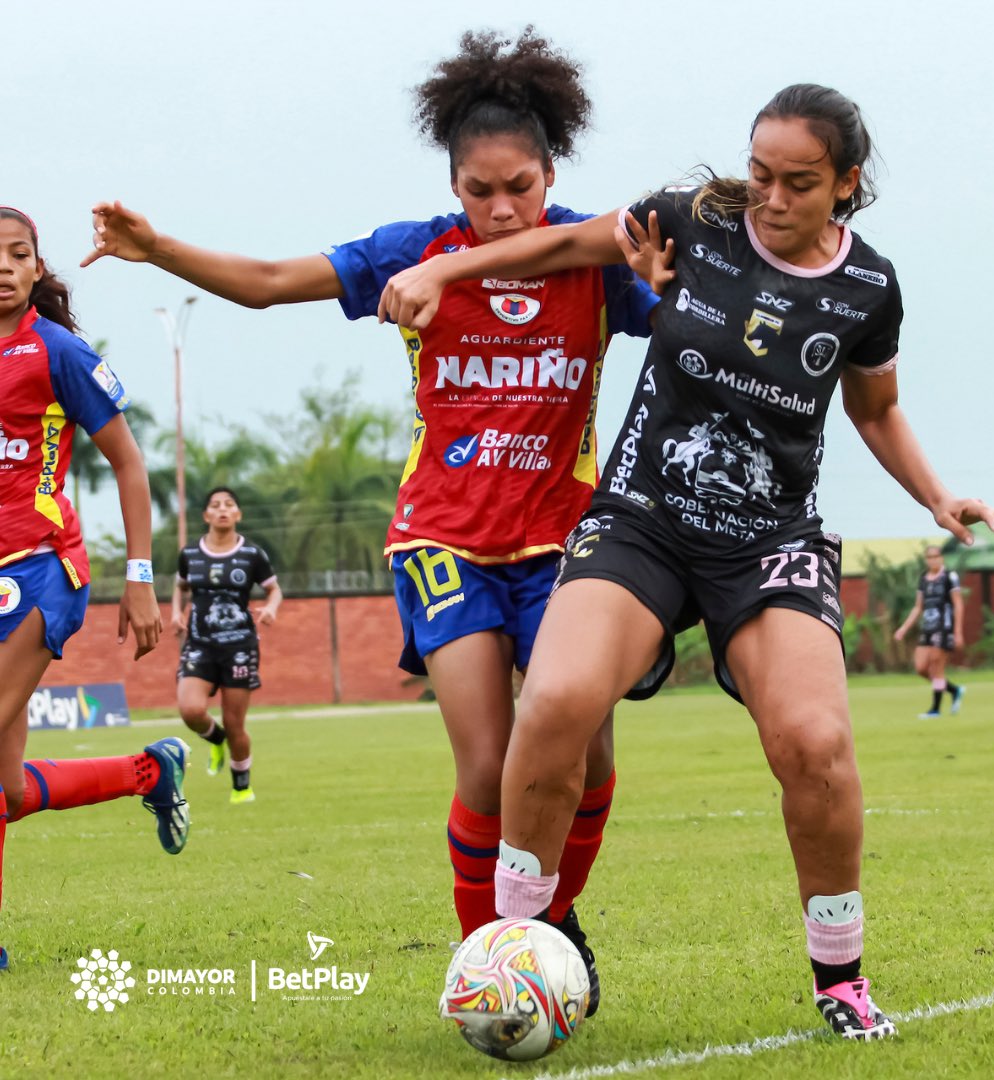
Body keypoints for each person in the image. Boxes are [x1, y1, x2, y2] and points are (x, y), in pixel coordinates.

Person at [378, 83, 994, 1040]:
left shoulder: (868, 290)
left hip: (768, 543)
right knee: (554, 705)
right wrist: (448, 274)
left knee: (816, 748)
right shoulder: (694, 222)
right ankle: (512, 953)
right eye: (759, 173)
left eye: (799, 183)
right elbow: (555, 244)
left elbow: (875, 410)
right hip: (642, 520)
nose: (769, 197)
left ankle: (840, 980)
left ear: (846, 185)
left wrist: (936, 495)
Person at [83, 29, 660, 1012]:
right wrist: (157, 250)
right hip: (444, 542)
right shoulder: (412, 253)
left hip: (569, 546)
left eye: (519, 185)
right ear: (454, 185)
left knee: (585, 757)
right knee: (488, 764)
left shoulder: (599, 253)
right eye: (479, 190)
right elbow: (269, 285)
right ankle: (491, 962)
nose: (500, 208)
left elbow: (696, 292)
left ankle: (552, 919)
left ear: (551, 173)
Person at [0, 206, 190, 971]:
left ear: (38, 270)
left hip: (44, 570)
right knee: (6, 793)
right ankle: (151, 770)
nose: (4, 267)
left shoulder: (58, 352)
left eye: (18, 255)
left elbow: (130, 463)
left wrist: (139, 579)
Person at [172, 486, 282, 804]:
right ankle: (215, 739)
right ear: (206, 515)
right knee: (191, 710)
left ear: (238, 514)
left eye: (229, 504)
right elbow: (179, 585)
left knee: (236, 723)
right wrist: (177, 612)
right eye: (216, 505)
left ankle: (241, 787)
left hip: (239, 646)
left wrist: (272, 608)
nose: (223, 509)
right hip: (200, 644)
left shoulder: (252, 555)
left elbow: (274, 589)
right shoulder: (190, 554)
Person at [894, 545, 965, 718]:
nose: (933, 560)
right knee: (921, 668)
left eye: (936, 556)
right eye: (929, 557)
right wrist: (903, 628)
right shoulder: (924, 579)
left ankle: (935, 709)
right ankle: (954, 690)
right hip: (928, 628)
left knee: (936, 667)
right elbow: (918, 607)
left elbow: (958, 604)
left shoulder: (949, 576)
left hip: (944, 627)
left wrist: (958, 631)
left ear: (941, 558)